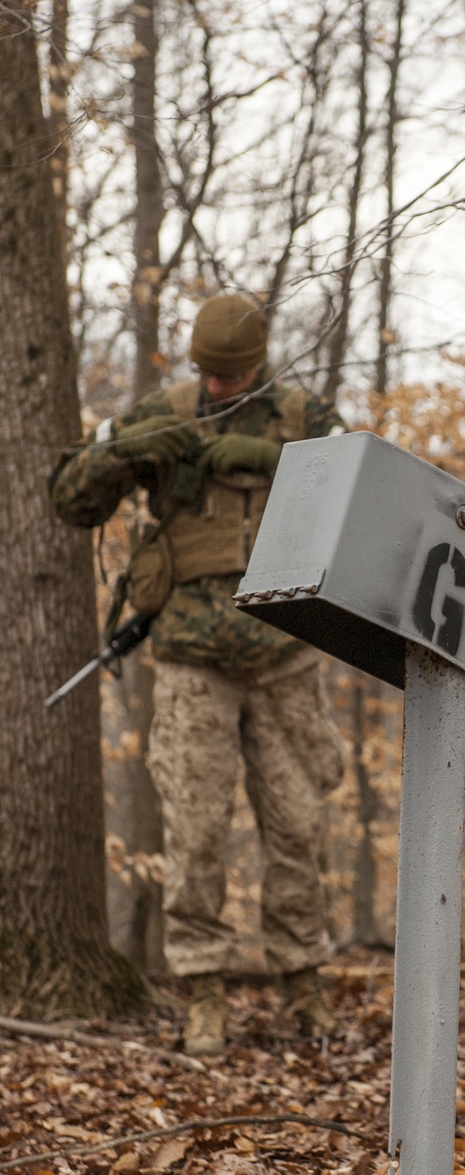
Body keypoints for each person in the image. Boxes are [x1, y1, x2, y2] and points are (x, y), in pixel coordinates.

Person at [50, 293, 347, 1056]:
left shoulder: (304, 416)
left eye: (233, 374)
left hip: (287, 651)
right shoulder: (168, 412)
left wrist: (272, 463)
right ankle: (204, 991)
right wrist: (123, 448)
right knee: (195, 830)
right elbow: (73, 500)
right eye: (208, 374)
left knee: (298, 825)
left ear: (260, 362)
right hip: (190, 658)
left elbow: (363, 497)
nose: (218, 388)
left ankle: (304, 985)